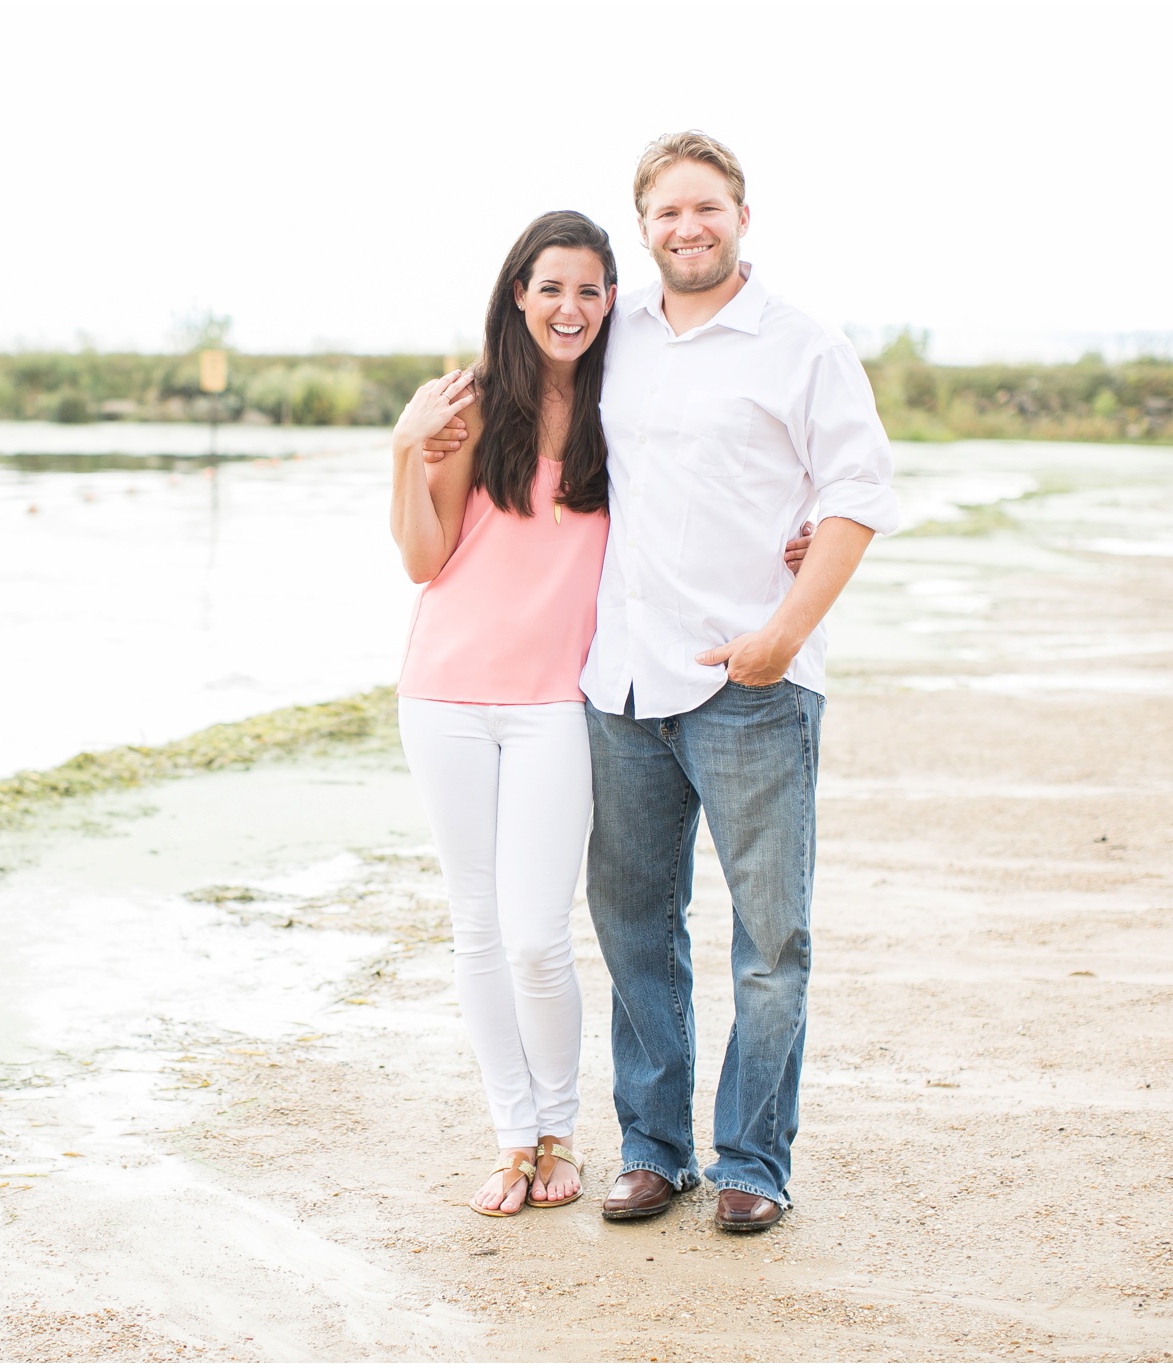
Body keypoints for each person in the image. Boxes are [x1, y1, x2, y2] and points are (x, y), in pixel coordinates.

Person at [580, 130, 900, 1232]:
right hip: (618, 688)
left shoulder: (799, 345)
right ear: (643, 226)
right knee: (633, 933)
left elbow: (858, 490)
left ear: (740, 216)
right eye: (666, 212)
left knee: (769, 945)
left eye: (705, 207)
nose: (687, 227)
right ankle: (650, 1151)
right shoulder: (614, 336)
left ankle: (752, 1165)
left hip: (751, 687)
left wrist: (779, 635)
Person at [387, 210, 619, 1216]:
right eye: (550, 288)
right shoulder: (466, 404)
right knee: (476, 928)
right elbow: (421, 559)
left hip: (552, 706)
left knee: (535, 935)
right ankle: (513, 1139)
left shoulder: (627, 410)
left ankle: (562, 1127)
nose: (568, 308)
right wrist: (403, 451)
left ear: (612, 301)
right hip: (442, 694)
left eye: (588, 290)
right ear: (516, 294)